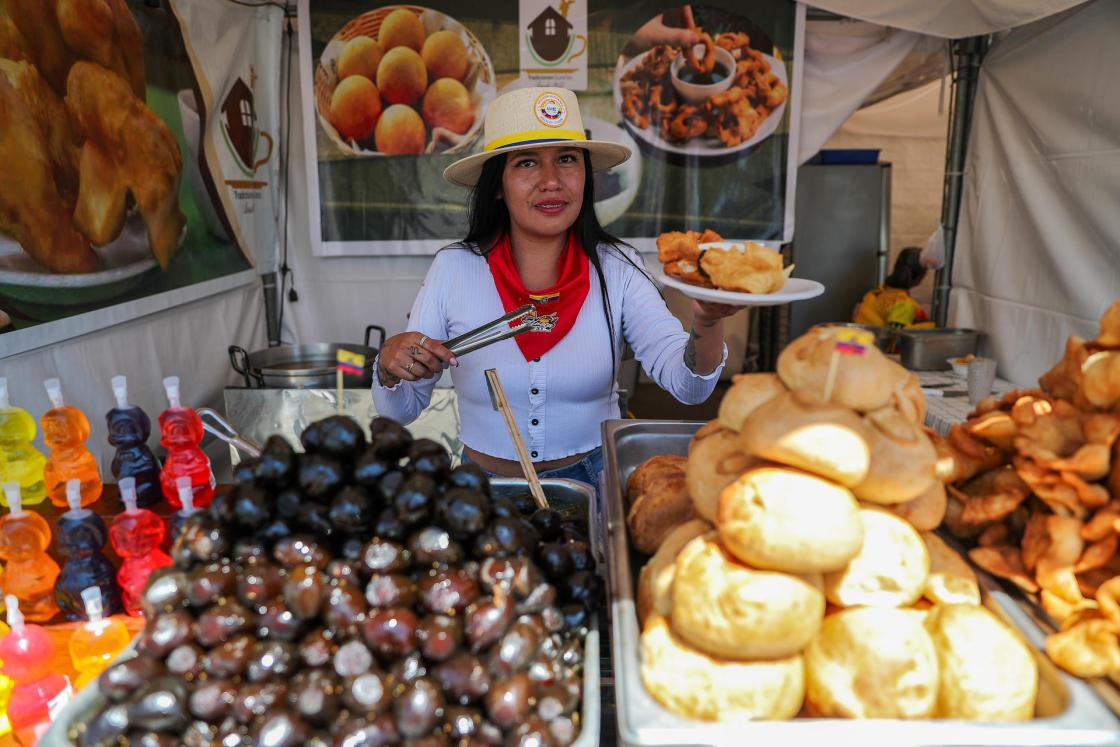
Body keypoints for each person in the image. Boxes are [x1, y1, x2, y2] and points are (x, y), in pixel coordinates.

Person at [372, 87, 740, 487]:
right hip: (481, 488)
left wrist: (706, 322)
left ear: (586, 175)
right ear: (498, 184)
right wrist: (389, 370)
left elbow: (688, 387)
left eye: (566, 159)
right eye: (527, 163)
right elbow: (401, 411)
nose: (551, 181)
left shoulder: (618, 267)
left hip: (594, 483)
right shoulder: (454, 269)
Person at [853, 247, 935, 330]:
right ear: (920, 277)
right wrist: (932, 326)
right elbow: (896, 335)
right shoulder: (903, 303)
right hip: (877, 342)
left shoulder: (874, 294)